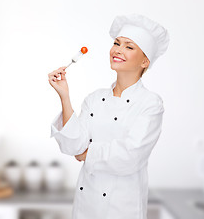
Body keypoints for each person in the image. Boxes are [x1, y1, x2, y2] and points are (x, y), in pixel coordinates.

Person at [48, 13, 170, 219]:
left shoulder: (150, 103)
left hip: (123, 208)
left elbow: (131, 157)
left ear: (144, 61)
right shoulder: (95, 99)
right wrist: (64, 96)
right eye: (116, 43)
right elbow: (72, 146)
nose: (118, 50)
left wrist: (87, 154)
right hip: (86, 207)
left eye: (129, 47)